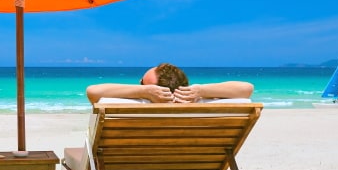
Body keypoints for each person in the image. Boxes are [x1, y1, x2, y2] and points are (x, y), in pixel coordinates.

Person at [86, 62, 253, 104]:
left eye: (141, 83)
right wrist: (201, 91)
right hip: (187, 164)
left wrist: (142, 93)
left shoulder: (140, 104)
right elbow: (246, 88)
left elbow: (93, 91)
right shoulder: (200, 103)